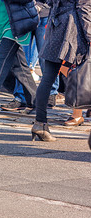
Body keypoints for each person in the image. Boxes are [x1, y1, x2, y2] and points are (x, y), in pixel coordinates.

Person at [32, 0, 91, 141]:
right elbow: (84, 8)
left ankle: (40, 123)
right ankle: (77, 114)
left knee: (48, 78)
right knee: (83, 73)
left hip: (56, 24)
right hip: (73, 29)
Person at [1, 0, 61, 112]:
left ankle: (51, 93)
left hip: (44, 13)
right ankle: (20, 96)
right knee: (22, 59)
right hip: (24, 14)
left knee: (46, 57)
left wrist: (40, 6)